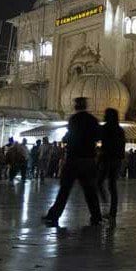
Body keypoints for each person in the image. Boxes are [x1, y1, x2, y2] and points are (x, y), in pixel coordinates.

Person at [43, 97, 102, 227]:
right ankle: (97, 216)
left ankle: (54, 215)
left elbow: (69, 137)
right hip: (88, 160)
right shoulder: (92, 120)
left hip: (73, 160)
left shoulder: (73, 120)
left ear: (76, 107)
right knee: (90, 191)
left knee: (64, 190)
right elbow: (99, 136)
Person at [99, 108, 126, 219]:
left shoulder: (106, 128)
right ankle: (112, 212)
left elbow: (97, 136)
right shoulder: (120, 130)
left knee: (100, 181)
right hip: (116, 160)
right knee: (112, 186)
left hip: (107, 159)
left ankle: (104, 200)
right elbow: (122, 146)